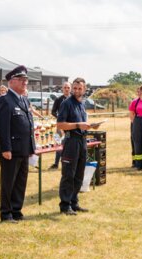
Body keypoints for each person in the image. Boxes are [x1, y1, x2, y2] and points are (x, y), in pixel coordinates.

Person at [0, 65, 35, 223]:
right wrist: (5, 148)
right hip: (11, 149)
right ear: (11, 82)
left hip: (24, 148)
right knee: (8, 182)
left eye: (26, 79)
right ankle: (6, 213)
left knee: (20, 181)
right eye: (21, 79)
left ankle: (16, 210)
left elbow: (29, 125)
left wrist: (31, 147)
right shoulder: (5, 100)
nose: (25, 82)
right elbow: (2, 126)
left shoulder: (24, 99)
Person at [56, 77, 98, 215]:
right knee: (68, 174)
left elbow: (82, 124)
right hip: (71, 142)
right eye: (75, 88)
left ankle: (74, 203)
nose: (77, 90)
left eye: (80, 88)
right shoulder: (66, 103)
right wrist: (78, 125)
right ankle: (65, 205)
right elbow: (60, 125)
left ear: (84, 89)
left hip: (82, 140)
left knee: (79, 174)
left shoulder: (81, 104)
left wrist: (90, 126)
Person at [49, 82, 71, 169]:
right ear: (62, 89)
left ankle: (67, 163)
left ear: (70, 88)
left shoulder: (73, 99)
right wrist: (60, 117)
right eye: (65, 87)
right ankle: (56, 164)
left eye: (68, 87)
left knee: (68, 144)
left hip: (70, 126)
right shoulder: (58, 99)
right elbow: (53, 111)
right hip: (60, 126)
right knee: (58, 144)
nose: (66, 89)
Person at [130, 87, 141, 168]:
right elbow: (131, 114)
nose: (139, 93)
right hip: (134, 124)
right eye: (138, 92)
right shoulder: (135, 102)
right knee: (134, 142)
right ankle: (134, 161)